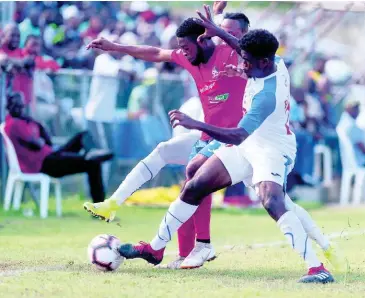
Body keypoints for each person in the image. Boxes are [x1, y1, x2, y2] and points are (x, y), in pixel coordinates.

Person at [84, 4, 342, 273]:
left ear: (262, 60)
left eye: (246, 61)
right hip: (240, 143)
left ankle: (317, 266)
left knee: (275, 201)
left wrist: (194, 123)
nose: (240, 63)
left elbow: (240, 134)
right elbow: (232, 47)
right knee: (194, 180)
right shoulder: (263, 59)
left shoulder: (267, 93)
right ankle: (157, 246)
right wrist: (216, 26)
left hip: (268, 148)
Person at [84, 13, 247, 270]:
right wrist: (117, 47)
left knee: (197, 179)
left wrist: (217, 27)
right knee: (174, 165)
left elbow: (248, 48)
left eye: (186, 47)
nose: (182, 52)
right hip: (209, 137)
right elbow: (154, 52)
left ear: (204, 41)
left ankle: (199, 245)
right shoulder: (191, 55)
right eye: (180, 47)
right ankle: (113, 205)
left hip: (239, 140)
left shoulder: (235, 54)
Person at [4, 92, 113, 204]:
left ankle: (92, 152)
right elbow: (36, 144)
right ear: (8, 107)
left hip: (52, 154)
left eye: (21, 106)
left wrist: (37, 124)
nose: (20, 109)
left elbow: (48, 142)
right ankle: (99, 208)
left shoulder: (25, 121)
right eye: (16, 106)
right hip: (45, 164)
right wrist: (37, 135)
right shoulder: (14, 124)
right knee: (92, 163)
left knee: (83, 136)